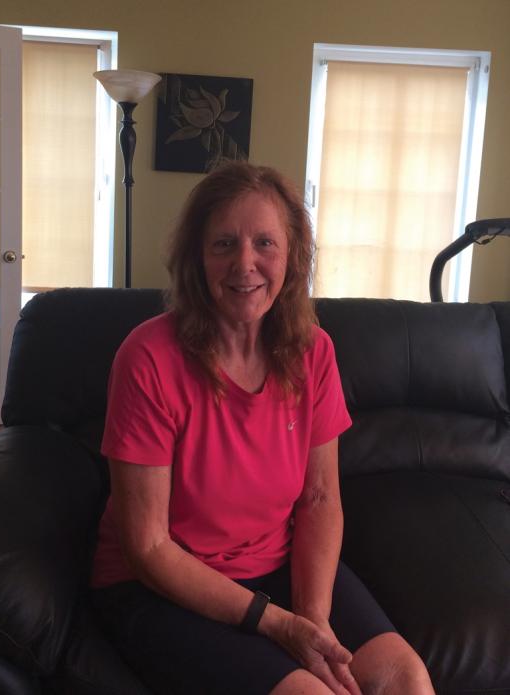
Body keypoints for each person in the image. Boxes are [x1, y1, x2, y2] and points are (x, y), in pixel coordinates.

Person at [91, 161, 435, 695]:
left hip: (275, 564)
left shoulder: (313, 351)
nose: (245, 263)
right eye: (224, 244)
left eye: (265, 244)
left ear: (292, 257)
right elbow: (149, 547)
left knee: (405, 679)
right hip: (159, 586)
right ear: (197, 258)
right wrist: (277, 624)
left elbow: (320, 497)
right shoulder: (148, 357)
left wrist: (313, 619)